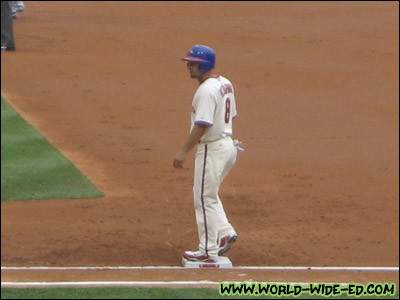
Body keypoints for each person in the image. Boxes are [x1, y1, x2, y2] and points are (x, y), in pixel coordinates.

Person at [174, 45, 241, 263]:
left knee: (203, 198)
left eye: (192, 63)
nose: (188, 67)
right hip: (228, 146)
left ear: (202, 65)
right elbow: (232, 116)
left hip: (211, 149)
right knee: (208, 195)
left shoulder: (205, 90)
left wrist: (183, 151)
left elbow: (202, 124)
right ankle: (225, 232)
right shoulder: (225, 82)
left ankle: (207, 251)